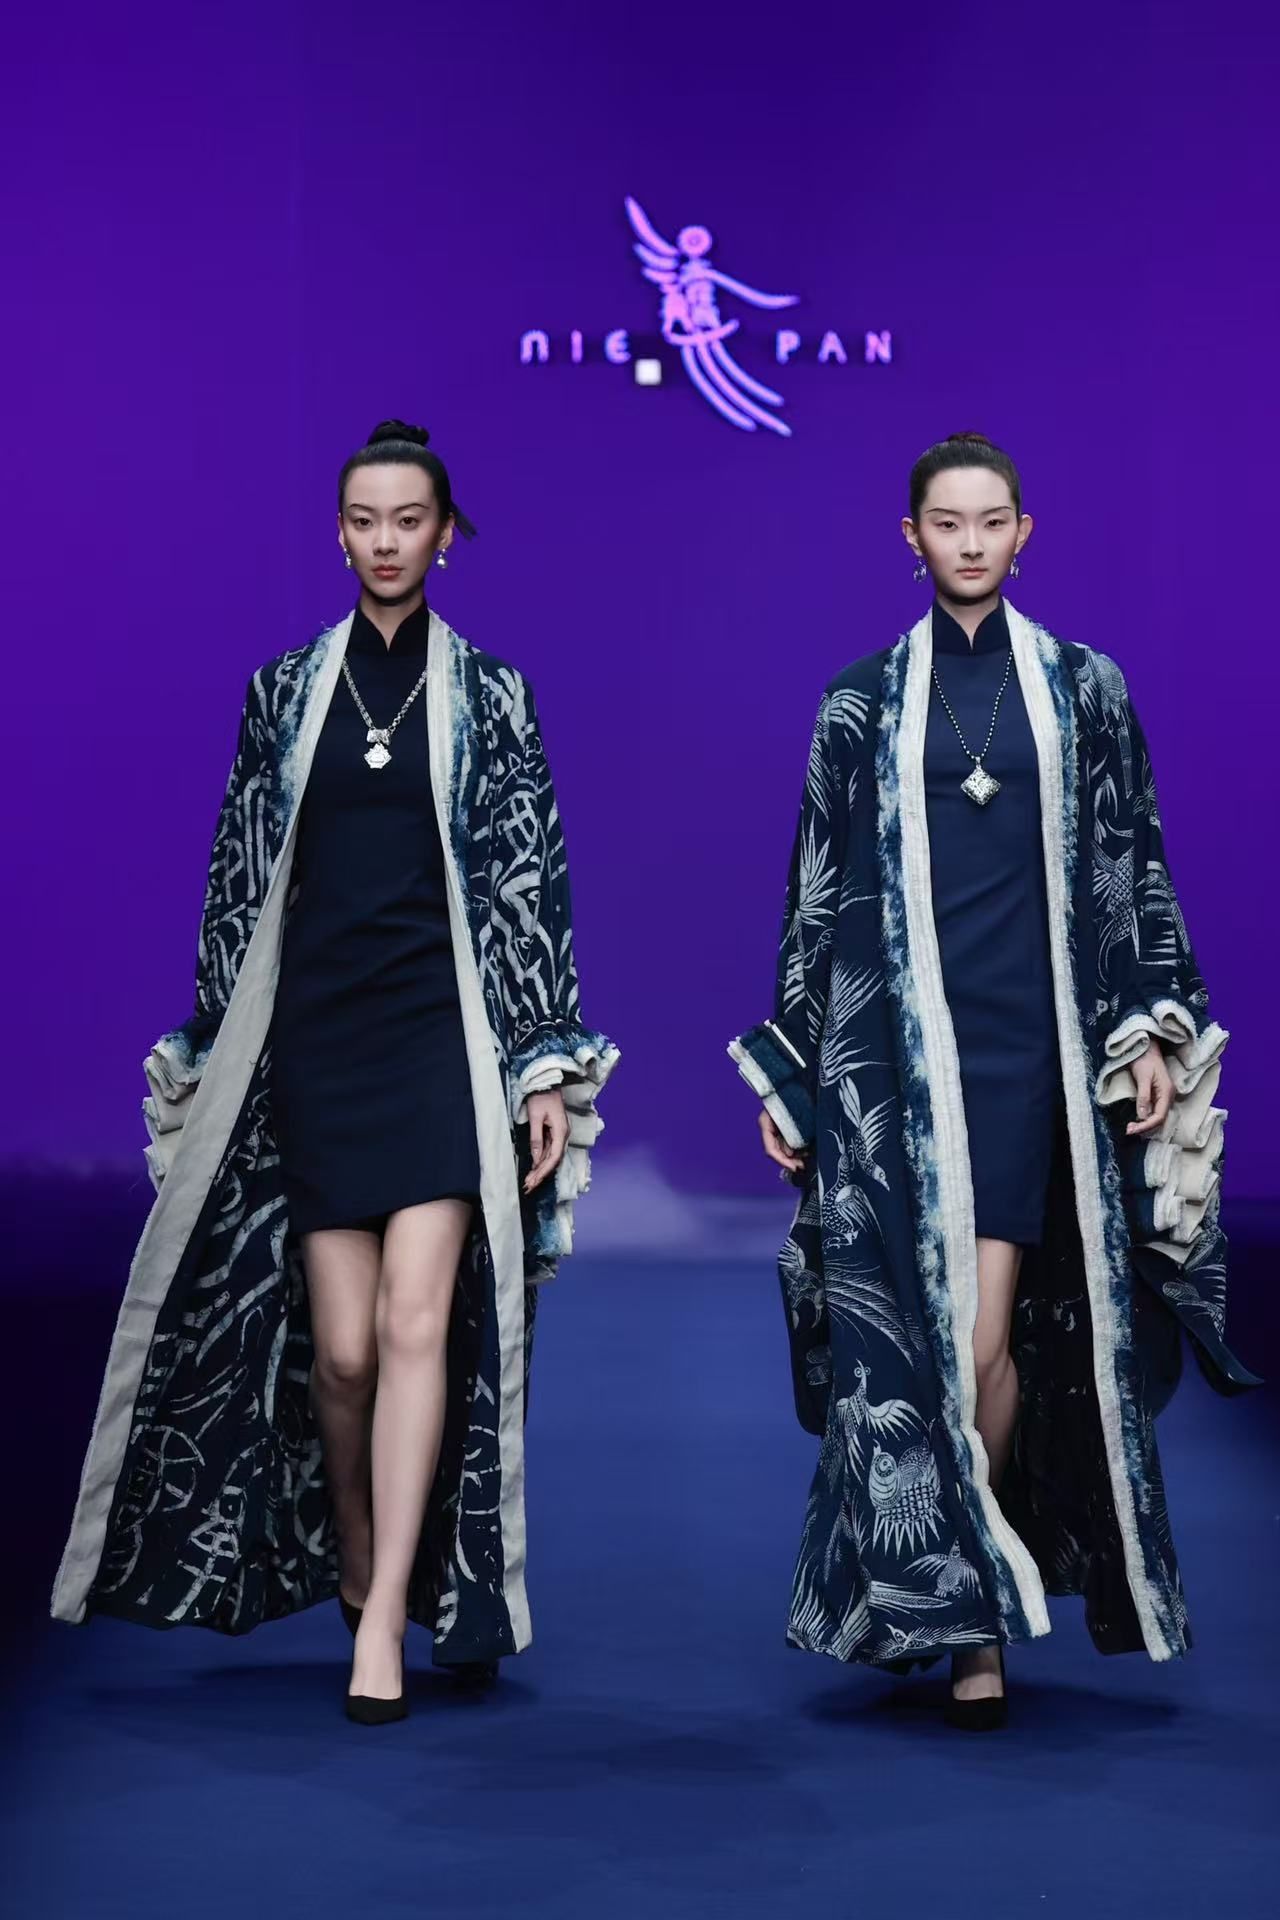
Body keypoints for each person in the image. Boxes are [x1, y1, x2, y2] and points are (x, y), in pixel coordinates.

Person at [53, 418, 618, 1725]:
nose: (385, 541)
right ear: (341, 533)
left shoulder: (496, 696)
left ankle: (384, 1622)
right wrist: (211, 1057)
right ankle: (361, 1557)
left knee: (419, 1327)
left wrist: (541, 1061)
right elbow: (239, 876)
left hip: (440, 1039)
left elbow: (532, 878)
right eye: (364, 520)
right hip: (317, 1041)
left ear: (446, 534)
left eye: (408, 520)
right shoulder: (283, 690)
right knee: (347, 1356)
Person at [729, 430, 1256, 1729]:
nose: (969, 542)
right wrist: (794, 1073)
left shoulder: (1085, 689)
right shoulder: (859, 702)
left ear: (1026, 533)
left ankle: (970, 1622)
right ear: (909, 537)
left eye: (991, 520)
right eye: (946, 522)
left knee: (980, 1337)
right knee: (909, 1338)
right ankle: (959, 1603)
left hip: (1030, 1058)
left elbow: (1131, 864)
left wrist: (1145, 1033)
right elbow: (815, 891)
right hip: (893, 1063)